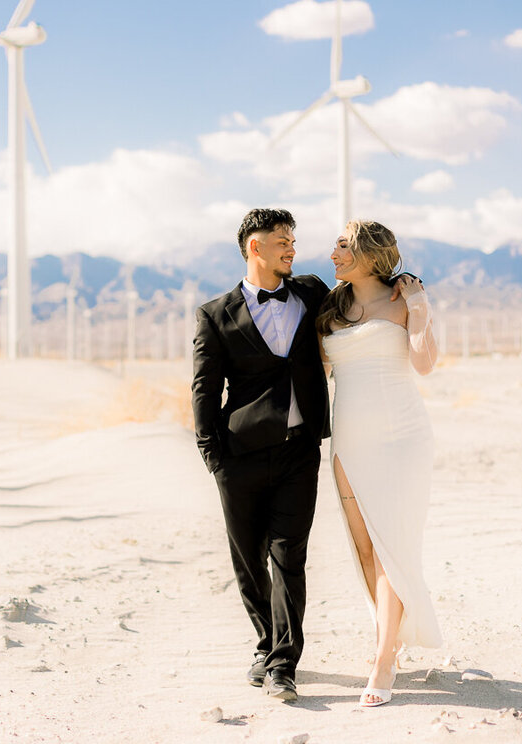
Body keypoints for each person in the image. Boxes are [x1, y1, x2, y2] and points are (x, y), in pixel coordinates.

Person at [190, 208, 330, 702]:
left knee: (288, 556)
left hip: (299, 451)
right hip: (240, 455)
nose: (292, 248)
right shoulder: (215, 313)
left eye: (293, 240)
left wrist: (405, 279)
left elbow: (363, 298)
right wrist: (213, 456)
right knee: (248, 560)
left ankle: (283, 664)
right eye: (282, 241)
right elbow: (204, 390)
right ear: (256, 247)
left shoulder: (312, 292)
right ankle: (265, 644)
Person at [317, 219, 443, 708]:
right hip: (349, 436)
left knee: (394, 544)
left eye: (342, 246)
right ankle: (387, 639)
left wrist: (419, 310)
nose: (332, 254)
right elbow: (320, 371)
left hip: (402, 437)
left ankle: (383, 659)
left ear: (370, 253)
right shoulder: (332, 305)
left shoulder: (405, 298)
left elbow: (425, 362)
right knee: (366, 547)